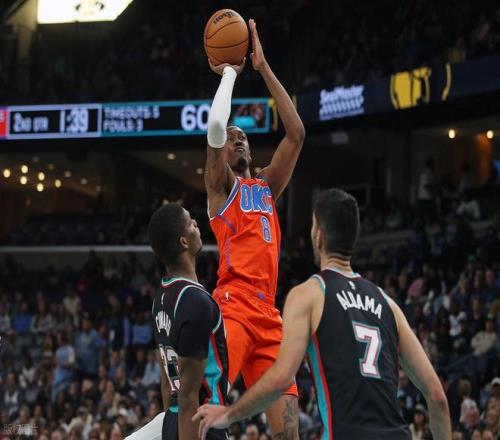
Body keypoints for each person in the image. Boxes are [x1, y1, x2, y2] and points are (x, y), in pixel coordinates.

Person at [195, 189, 452, 440]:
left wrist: (229, 414)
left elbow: (281, 378)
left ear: (319, 236)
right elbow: (437, 396)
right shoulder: (389, 304)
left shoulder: (310, 294)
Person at [205, 18, 305, 437]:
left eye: (243, 135)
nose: (238, 139)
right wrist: (230, 72)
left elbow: (296, 133)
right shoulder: (219, 187)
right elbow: (214, 127)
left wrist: (262, 68)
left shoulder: (265, 187)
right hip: (233, 304)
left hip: (269, 313)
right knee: (205, 408)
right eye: (232, 138)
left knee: (288, 431)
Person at [126, 203, 229, 439]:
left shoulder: (161, 296)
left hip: (173, 419)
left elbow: (166, 383)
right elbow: (189, 396)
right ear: (184, 242)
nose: (196, 224)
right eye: (191, 222)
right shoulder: (197, 302)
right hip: (201, 424)